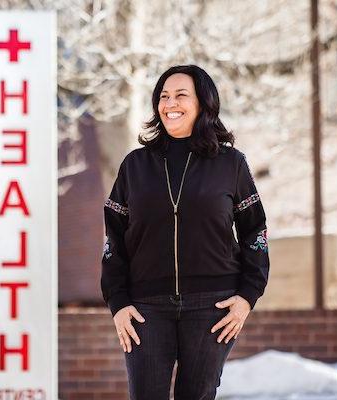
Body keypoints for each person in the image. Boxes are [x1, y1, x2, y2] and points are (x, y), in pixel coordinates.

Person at [100, 64, 270, 400]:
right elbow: (113, 238)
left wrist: (247, 297)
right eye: (163, 96)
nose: (169, 103)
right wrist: (118, 302)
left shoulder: (231, 163)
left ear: (203, 103)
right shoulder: (135, 165)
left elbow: (255, 232)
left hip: (214, 307)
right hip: (145, 307)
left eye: (180, 95)